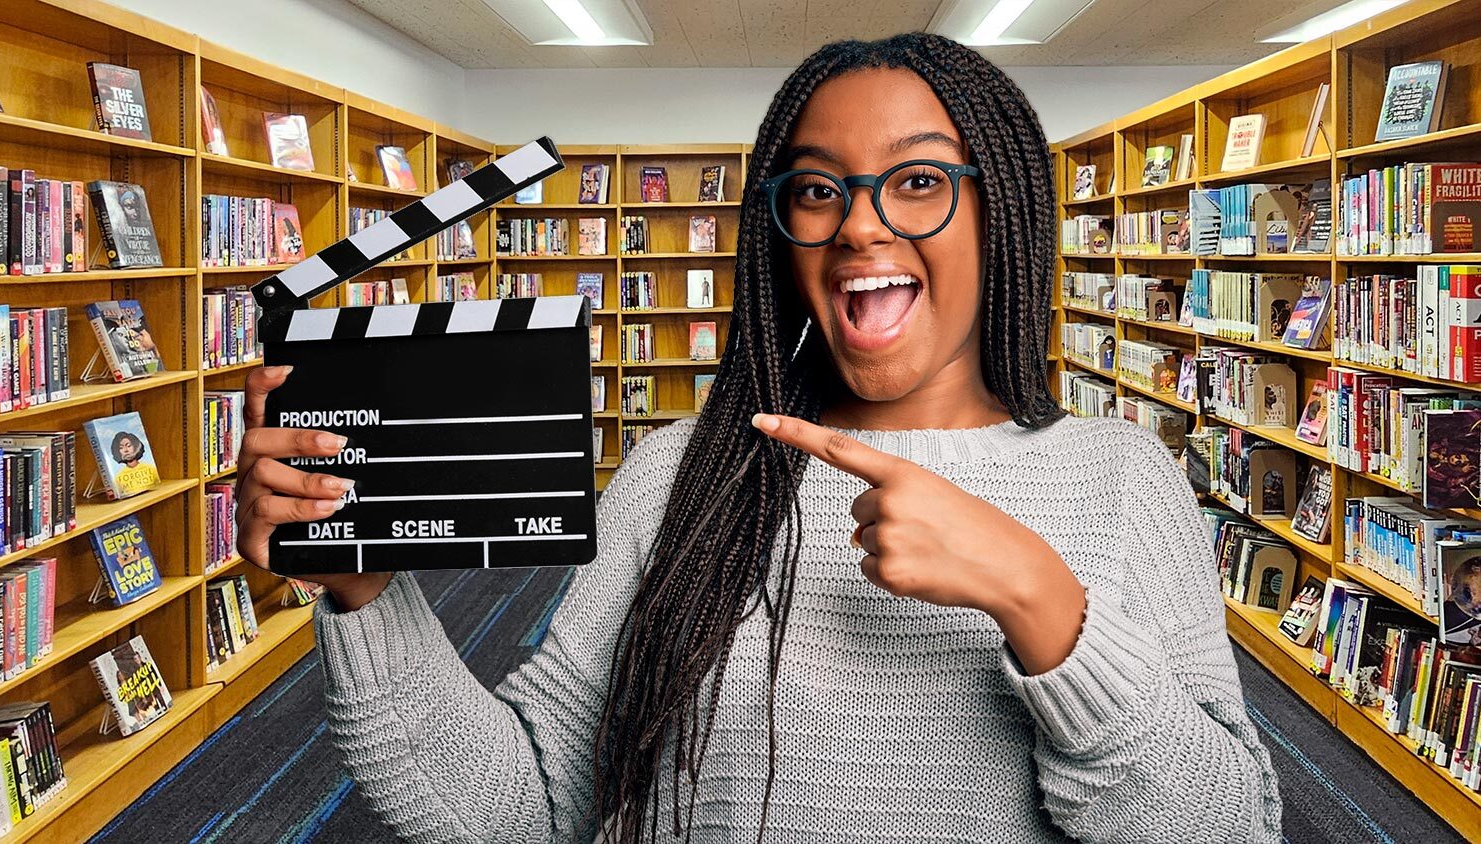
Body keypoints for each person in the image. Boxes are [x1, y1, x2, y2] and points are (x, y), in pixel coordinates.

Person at [235, 32, 1282, 843]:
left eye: (918, 180)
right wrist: (364, 591)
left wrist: (1041, 602)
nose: (859, 225)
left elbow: (1233, 826)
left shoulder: (1124, 478)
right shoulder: (673, 473)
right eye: (817, 189)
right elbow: (524, 809)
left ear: (999, 210)